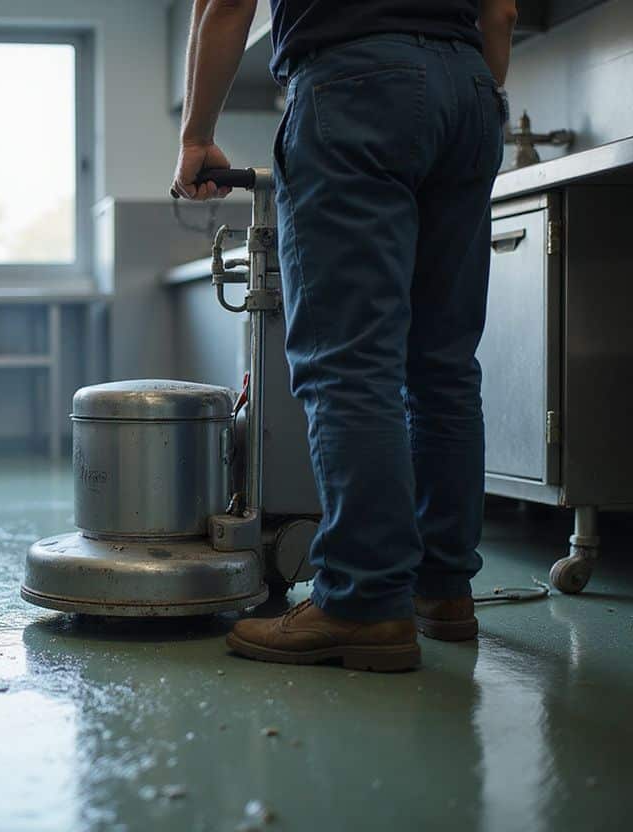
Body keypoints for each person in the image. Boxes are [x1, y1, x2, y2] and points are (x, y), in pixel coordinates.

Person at [173, 0, 518, 671]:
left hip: (356, 87)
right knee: (443, 365)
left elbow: (226, 4)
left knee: (351, 364)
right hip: (471, 93)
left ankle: (363, 603)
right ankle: (444, 590)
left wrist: (196, 137)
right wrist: (458, 88)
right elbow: (500, 10)